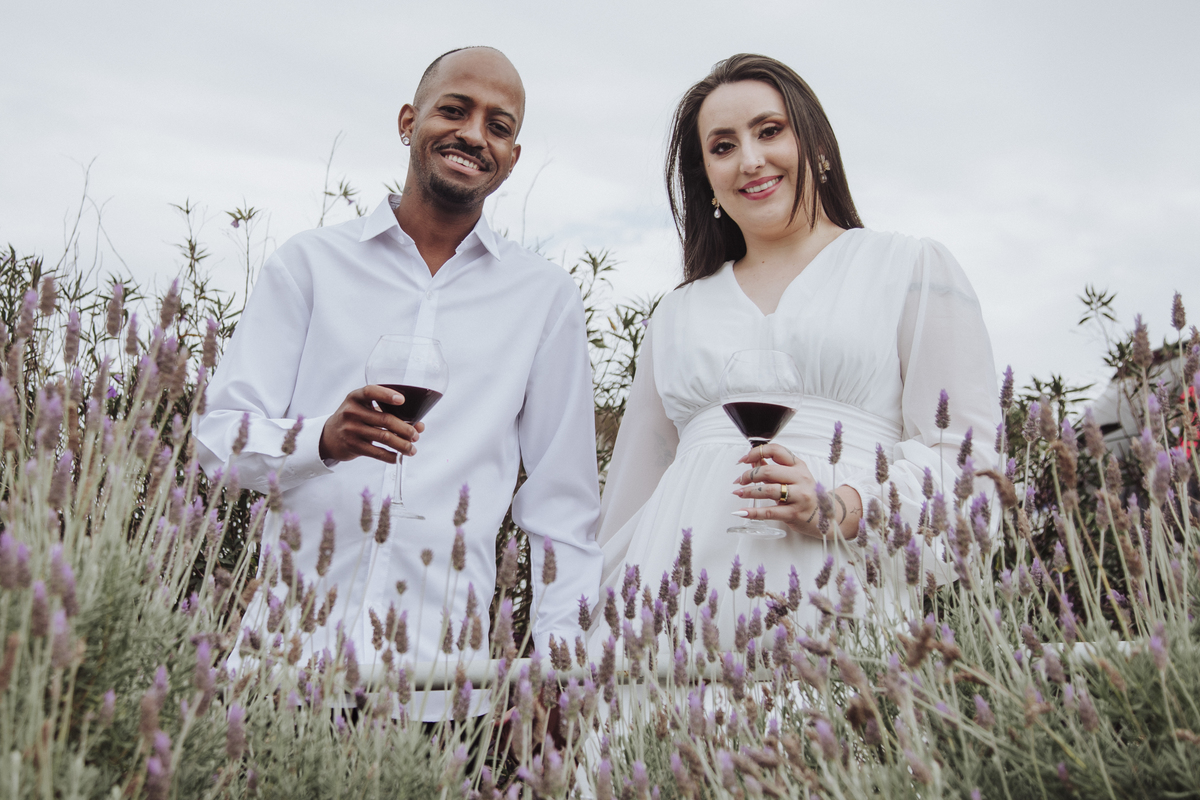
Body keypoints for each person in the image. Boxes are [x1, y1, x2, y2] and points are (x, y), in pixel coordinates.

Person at [195, 47, 602, 717]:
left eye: (499, 126)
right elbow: (218, 442)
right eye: (454, 110)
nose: (474, 134)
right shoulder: (309, 265)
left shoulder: (544, 299)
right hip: (283, 672)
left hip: (441, 688)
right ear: (409, 121)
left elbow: (564, 506)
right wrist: (322, 441)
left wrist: (565, 668)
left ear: (512, 157)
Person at [595, 54, 1000, 648]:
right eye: (723, 146)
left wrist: (842, 507)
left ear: (818, 145)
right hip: (671, 624)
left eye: (769, 131)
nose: (750, 160)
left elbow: (966, 462)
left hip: (838, 613)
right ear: (706, 178)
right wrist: (585, 646)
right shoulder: (676, 314)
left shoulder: (908, 268)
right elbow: (630, 503)